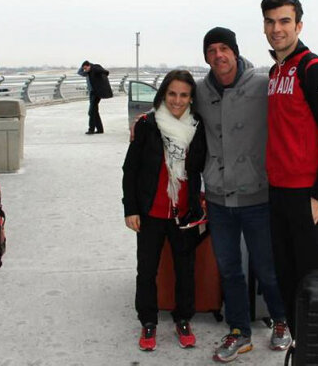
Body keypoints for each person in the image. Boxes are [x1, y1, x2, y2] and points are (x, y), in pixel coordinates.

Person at [195, 27, 291, 363]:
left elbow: (293, 116)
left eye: (224, 48)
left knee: (267, 267)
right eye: (211, 50)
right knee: (229, 270)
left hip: (257, 195)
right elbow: (172, 108)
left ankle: (281, 320)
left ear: (235, 52)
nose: (218, 55)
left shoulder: (262, 84)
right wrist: (146, 121)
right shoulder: (200, 90)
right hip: (218, 197)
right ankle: (239, 331)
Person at [261, 0, 318, 335]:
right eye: (270, 22)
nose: (277, 29)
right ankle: (301, 344)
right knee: (288, 277)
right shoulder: (276, 71)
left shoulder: (316, 69)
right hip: (279, 192)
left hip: (310, 194)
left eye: (284, 21)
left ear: (298, 25)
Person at [122, 70, 206, 351]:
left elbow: (203, 165)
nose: (177, 100)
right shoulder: (148, 124)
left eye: (184, 95)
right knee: (146, 270)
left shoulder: (197, 126)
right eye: (172, 94)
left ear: (191, 98)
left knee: (185, 270)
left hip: (183, 213)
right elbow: (130, 170)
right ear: (163, 95)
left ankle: (183, 318)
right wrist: (131, 209)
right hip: (150, 212)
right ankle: (148, 320)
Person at [78, 60, 113, 134]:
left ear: (89, 66)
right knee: (94, 111)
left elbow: (104, 71)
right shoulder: (88, 72)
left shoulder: (95, 69)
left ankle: (91, 129)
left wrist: (105, 72)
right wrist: (83, 66)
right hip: (92, 93)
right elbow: (79, 72)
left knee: (91, 112)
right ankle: (100, 129)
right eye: (84, 69)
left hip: (96, 93)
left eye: (85, 68)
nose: (85, 70)